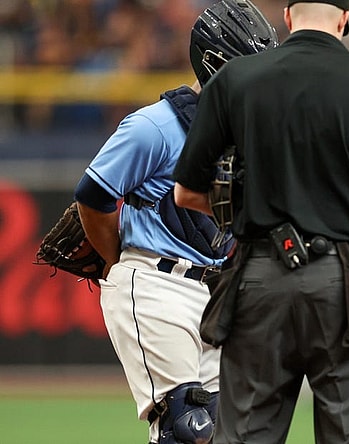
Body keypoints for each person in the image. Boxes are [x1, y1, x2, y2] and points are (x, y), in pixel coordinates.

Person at [172, 0, 349, 442]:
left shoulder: (236, 78)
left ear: (288, 18)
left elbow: (187, 192)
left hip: (258, 276)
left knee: (246, 434)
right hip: (345, 281)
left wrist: (247, 215)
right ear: (344, 20)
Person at [73, 2, 278, 443]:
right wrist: (118, 261)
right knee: (188, 427)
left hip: (216, 292)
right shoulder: (155, 125)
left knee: (229, 430)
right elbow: (92, 195)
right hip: (156, 283)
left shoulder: (251, 133)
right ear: (215, 65)